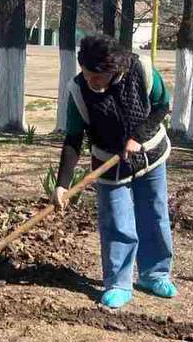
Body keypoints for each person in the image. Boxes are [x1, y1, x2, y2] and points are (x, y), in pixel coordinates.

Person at [53, 34, 175, 310]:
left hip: (150, 154)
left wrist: (138, 136)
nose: (92, 81)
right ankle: (118, 284)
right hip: (108, 163)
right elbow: (73, 139)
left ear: (114, 70)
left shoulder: (141, 69)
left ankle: (154, 274)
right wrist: (62, 184)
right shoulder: (77, 90)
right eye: (87, 74)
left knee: (154, 213)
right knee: (117, 222)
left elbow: (161, 105)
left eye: (99, 77)